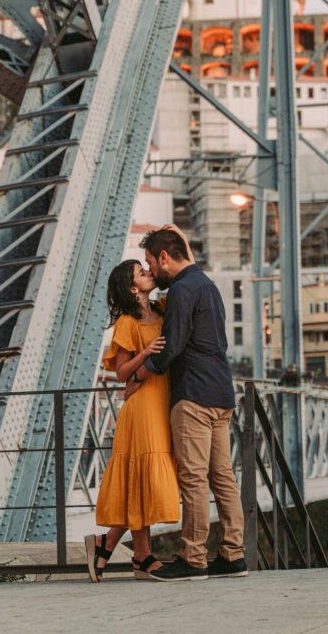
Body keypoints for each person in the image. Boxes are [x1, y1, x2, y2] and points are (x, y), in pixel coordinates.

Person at [127, 226, 248, 581]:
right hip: (221, 392)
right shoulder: (207, 285)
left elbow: (171, 345)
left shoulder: (180, 290)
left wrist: (139, 375)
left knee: (193, 478)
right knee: (223, 477)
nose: (151, 270)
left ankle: (193, 557)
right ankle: (233, 554)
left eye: (151, 262)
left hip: (193, 393)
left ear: (164, 258)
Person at [84, 259, 181, 582]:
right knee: (144, 478)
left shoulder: (164, 308)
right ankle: (140, 555)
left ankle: (110, 545)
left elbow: (182, 280)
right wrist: (145, 353)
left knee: (143, 481)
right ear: (132, 288)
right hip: (142, 407)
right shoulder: (127, 322)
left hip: (161, 400)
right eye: (142, 272)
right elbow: (121, 372)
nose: (149, 273)